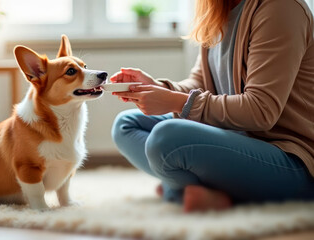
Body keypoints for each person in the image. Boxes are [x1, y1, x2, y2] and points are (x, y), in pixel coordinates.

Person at [110, 0, 314, 213]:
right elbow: (200, 83)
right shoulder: (218, 8)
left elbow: (261, 110)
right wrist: (158, 87)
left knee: (166, 138)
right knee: (127, 125)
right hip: (238, 139)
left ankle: (179, 188)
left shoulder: (281, 7)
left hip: (291, 160)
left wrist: (174, 101)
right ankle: (201, 190)